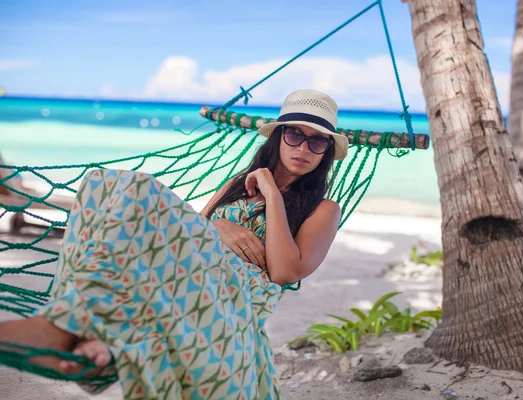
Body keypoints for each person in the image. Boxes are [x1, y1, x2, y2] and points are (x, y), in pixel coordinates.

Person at [0, 89, 349, 399]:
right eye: (295, 134)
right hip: (188, 272)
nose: (304, 147)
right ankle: (81, 326)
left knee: (140, 189)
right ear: (278, 138)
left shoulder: (323, 209)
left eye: (317, 141)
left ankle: (64, 330)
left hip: (235, 295)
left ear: (326, 153)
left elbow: (285, 272)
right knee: (100, 183)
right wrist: (220, 227)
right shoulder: (234, 184)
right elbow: (190, 233)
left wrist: (272, 193)